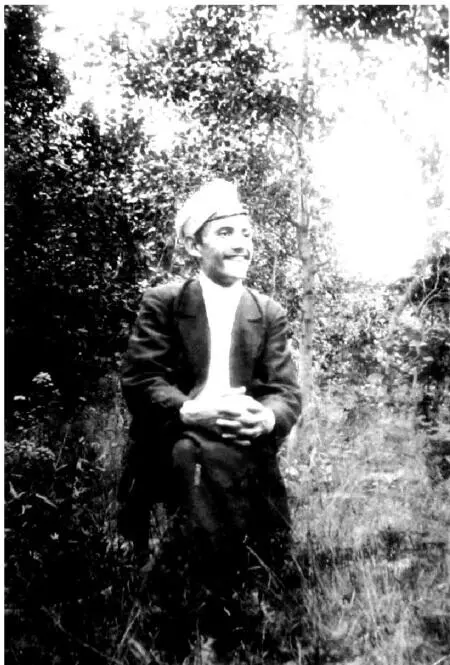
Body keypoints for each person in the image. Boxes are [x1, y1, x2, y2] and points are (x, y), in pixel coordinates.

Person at [118, 178, 301, 663]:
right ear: (195, 245)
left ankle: (217, 609)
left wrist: (266, 419)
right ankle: (205, 613)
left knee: (222, 465)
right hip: (175, 439)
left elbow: (285, 392)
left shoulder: (267, 311)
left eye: (246, 233)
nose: (241, 243)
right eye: (225, 233)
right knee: (192, 456)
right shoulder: (166, 301)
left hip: (242, 442)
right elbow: (141, 380)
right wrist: (190, 408)